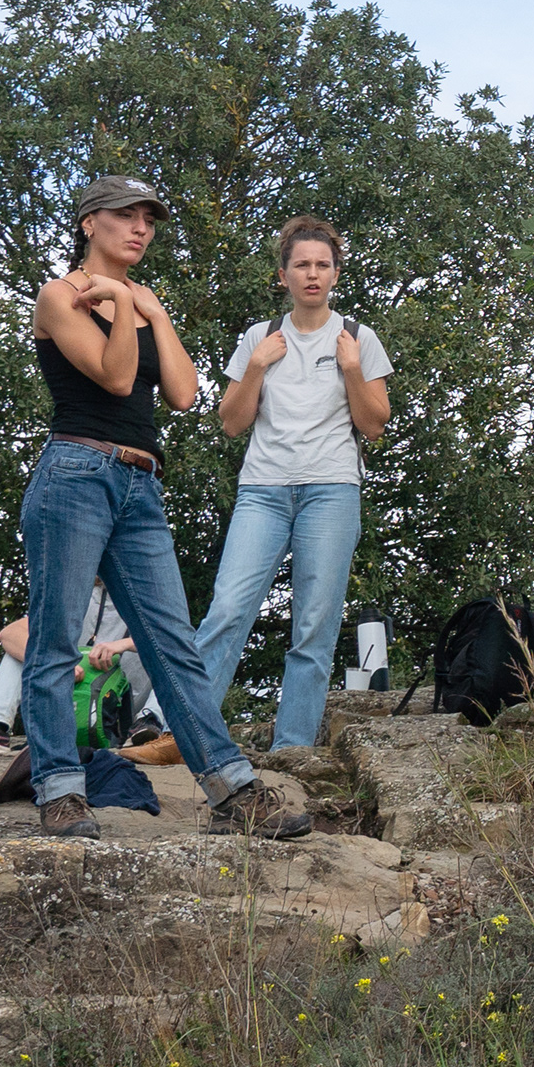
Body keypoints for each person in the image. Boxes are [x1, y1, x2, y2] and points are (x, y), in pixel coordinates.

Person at [21, 176, 307, 841]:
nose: (140, 228)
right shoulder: (60, 296)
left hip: (141, 483)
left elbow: (182, 393)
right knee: (56, 637)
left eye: (148, 219)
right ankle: (60, 792)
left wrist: (150, 308)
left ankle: (232, 790)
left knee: (173, 642)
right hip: (75, 472)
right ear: (89, 223)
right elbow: (117, 376)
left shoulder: (142, 300)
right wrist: (124, 303)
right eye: (125, 215)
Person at [192, 217, 392, 751]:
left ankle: (292, 749)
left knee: (314, 626)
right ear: (283, 275)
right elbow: (231, 422)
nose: (312, 274)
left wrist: (352, 369)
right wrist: (256, 367)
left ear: (336, 273)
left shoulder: (358, 338)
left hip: (332, 490)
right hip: (263, 490)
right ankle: (187, 734)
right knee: (227, 610)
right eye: (302, 265)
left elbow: (374, 425)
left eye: (322, 265)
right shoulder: (259, 337)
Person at [0, 596, 161, 760]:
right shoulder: (77, 596)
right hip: (70, 706)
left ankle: (149, 724)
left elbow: (173, 639)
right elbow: (8, 634)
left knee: (168, 657)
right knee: (22, 648)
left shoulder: (147, 596)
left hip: (122, 717)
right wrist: (56, 665)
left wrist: (125, 644)